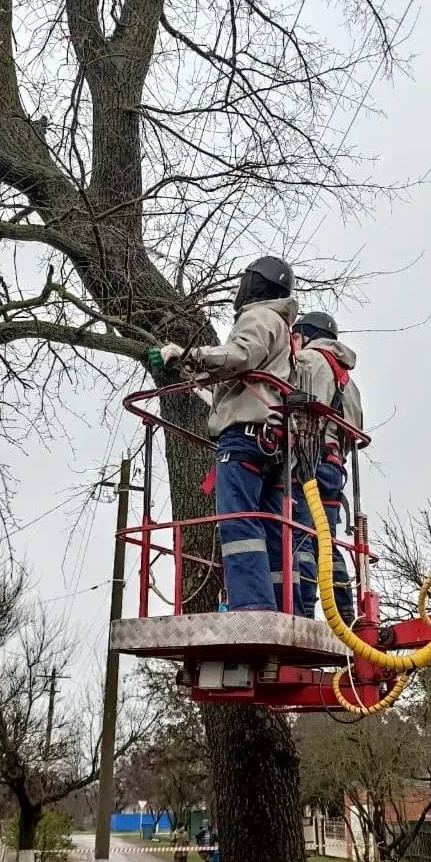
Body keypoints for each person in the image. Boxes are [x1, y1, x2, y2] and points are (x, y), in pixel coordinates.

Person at [153, 256, 302, 614]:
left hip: (245, 437)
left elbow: (239, 356)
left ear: (256, 284)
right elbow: (244, 371)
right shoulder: (282, 328)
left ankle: (252, 606)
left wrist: (190, 354)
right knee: (274, 531)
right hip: (274, 442)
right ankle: (286, 609)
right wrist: (199, 372)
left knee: (239, 523)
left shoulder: (258, 317)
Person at [291, 312, 363, 621]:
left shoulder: (308, 361)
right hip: (335, 467)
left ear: (306, 334)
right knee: (326, 540)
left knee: (303, 537)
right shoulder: (348, 381)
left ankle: (304, 611)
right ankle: (345, 612)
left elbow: (289, 403)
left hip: (309, 462)